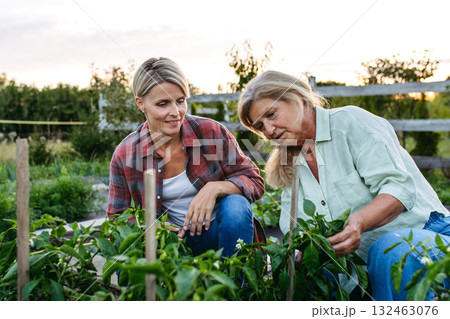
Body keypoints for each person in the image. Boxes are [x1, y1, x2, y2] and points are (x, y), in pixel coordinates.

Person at [237, 70, 450, 301]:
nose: (268, 131)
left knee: (391, 250)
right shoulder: (291, 161)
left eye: (271, 114)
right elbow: (294, 226)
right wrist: (302, 248)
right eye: (260, 126)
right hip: (360, 262)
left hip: (427, 234)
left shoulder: (349, 123)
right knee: (305, 274)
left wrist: (358, 222)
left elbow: (399, 189)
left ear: (297, 98)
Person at [107, 57, 264, 257]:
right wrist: (151, 228)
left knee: (236, 205)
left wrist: (214, 188)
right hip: (170, 245)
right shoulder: (126, 154)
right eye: (163, 104)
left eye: (180, 101)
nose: (175, 112)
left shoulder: (210, 132)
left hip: (219, 236)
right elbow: (116, 218)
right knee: (126, 260)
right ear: (141, 104)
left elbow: (254, 180)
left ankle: (235, 283)